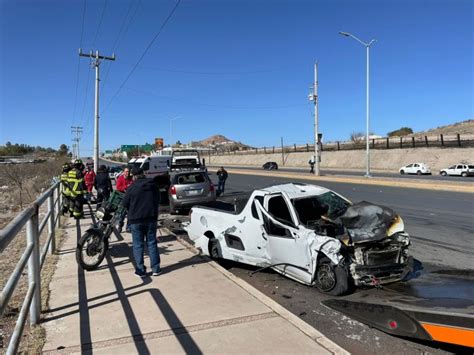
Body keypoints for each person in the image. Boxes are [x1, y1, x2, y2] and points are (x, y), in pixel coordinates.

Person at [122, 167, 161, 277]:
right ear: (143, 174)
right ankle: (156, 269)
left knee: (138, 245)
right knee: (152, 243)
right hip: (151, 218)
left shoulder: (131, 188)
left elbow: (124, 204)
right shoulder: (153, 186)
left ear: (133, 176)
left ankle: (140, 270)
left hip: (136, 220)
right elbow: (158, 200)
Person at [115, 167, 133, 232]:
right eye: (126, 171)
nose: (127, 173)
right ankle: (120, 225)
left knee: (130, 214)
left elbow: (133, 185)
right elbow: (118, 188)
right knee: (122, 214)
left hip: (130, 199)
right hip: (122, 198)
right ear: (123, 172)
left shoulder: (131, 179)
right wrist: (126, 187)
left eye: (128, 171)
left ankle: (128, 227)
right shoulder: (120, 178)